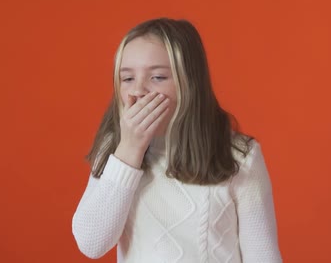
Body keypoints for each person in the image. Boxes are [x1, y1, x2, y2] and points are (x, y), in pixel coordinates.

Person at [72, 18, 282, 262]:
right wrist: (129, 151)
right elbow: (91, 243)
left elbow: (263, 255)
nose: (138, 90)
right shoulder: (115, 150)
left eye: (158, 77)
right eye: (127, 79)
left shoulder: (239, 155)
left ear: (189, 83)